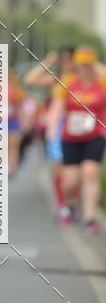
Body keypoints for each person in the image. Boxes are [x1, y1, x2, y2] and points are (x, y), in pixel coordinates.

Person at [46, 47, 106, 234]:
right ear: (76, 66)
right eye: (82, 65)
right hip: (70, 137)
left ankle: (89, 218)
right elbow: (57, 107)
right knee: (69, 181)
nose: (85, 69)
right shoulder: (68, 82)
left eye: (89, 65)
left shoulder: (102, 82)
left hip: (95, 135)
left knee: (90, 173)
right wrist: (52, 130)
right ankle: (71, 204)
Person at [25, 47, 75, 222]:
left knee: (78, 171)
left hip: (80, 128)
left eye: (70, 59)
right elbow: (30, 79)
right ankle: (63, 206)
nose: (67, 62)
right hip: (59, 127)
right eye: (63, 59)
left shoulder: (84, 79)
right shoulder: (57, 79)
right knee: (60, 167)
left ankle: (72, 203)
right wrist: (48, 61)